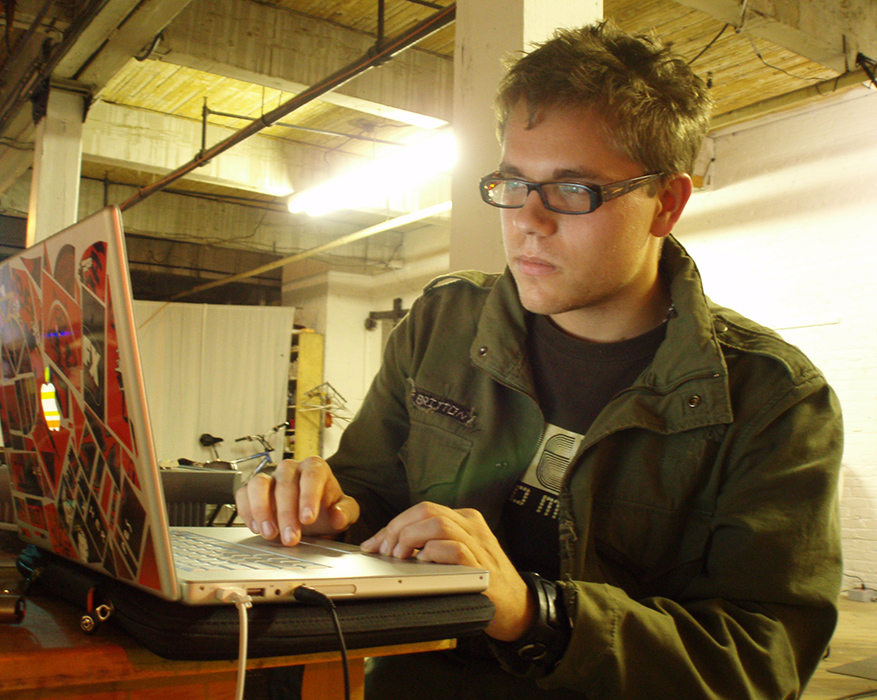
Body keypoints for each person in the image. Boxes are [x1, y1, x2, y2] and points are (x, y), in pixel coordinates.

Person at [237, 21, 843, 699]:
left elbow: (763, 662)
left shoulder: (772, 399)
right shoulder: (443, 324)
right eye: (512, 182)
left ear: (665, 204)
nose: (528, 219)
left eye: (572, 190)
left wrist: (536, 615)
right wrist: (329, 513)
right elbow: (370, 496)